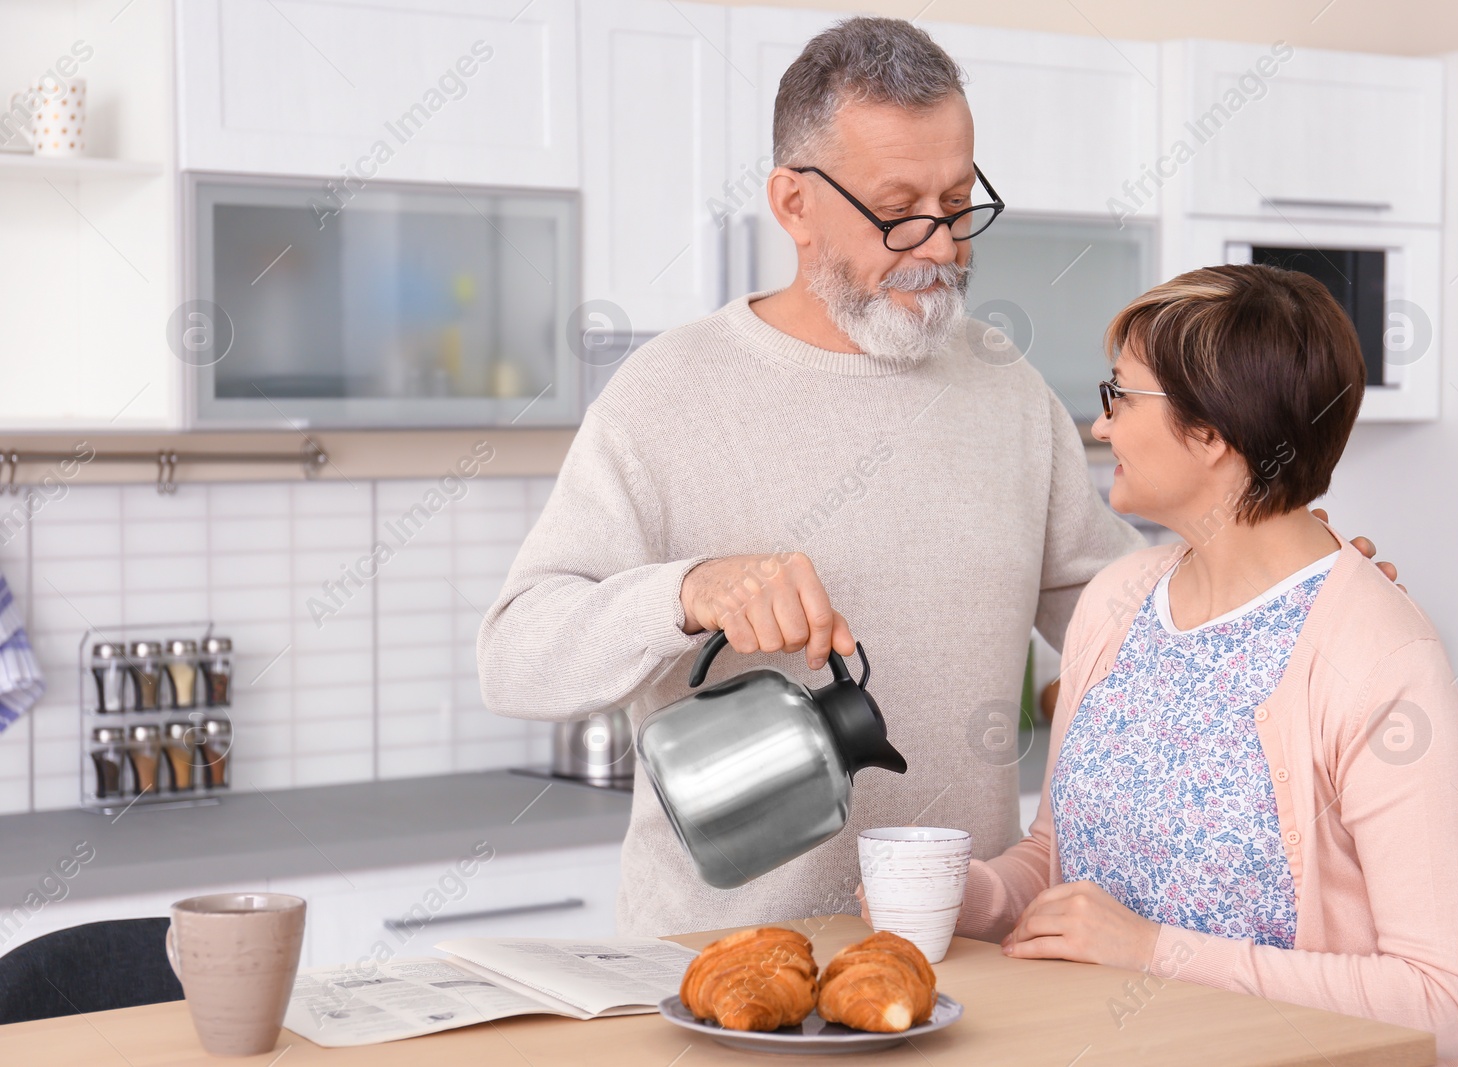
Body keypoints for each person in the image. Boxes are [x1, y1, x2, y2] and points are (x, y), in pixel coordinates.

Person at [477, 17, 1396, 939]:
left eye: (959, 202)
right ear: (793, 203)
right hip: (722, 975)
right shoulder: (667, 394)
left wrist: (1293, 595)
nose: (943, 246)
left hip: (960, 962)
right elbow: (515, 654)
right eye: (900, 209)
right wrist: (688, 590)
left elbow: (1127, 614)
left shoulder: (1006, 389)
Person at [952, 265, 1458, 1067]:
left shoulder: (1381, 658)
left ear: (1210, 432)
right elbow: (1059, 858)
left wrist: (1152, 951)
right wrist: (968, 896)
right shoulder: (1116, 601)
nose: (1101, 429)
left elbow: (1442, 1005)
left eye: (1121, 397)